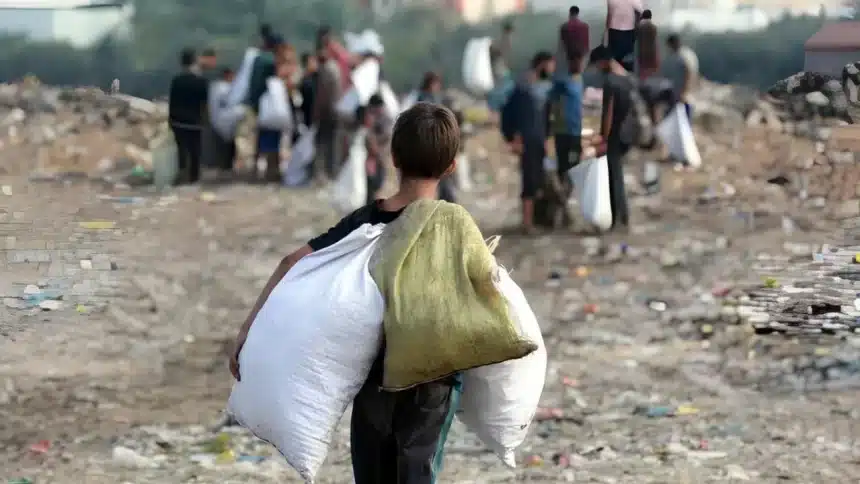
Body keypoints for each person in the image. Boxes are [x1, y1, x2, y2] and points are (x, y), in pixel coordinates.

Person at [230, 102, 462, 484]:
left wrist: (247, 332)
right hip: (431, 379)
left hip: (375, 376)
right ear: (451, 166)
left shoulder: (365, 221)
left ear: (394, 156)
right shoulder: (453, 225)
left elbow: (293, 262)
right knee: (417, 471)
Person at [590, 45, 641, 231]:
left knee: (614, 177)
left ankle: (619, 220)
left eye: (596, 64)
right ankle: (623, 217)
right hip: (629, 132)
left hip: (615, 134)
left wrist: (603, 137)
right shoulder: (628, 78)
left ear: (603, 61)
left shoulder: (611, 81)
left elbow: (608, 113)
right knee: (617, 175)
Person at [503, 51, 555, 234]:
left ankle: (537, 219)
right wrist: (512, 139)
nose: (552, 69)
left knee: (539, 180)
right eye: (550, 65)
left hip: (539, 141)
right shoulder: (523, 89)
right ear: (541, 65)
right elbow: (508, 115)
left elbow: (547, 117)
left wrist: (548, 138)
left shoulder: (545, 88)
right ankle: (527, 223)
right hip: (527, 142)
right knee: (530, 181)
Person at [546, 46, 584, 227]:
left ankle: (563, 207)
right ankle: (562, 210)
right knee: (563, 170)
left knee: (573, 170)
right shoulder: (562, 82)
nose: (579, 64)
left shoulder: (582, 81)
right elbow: (550, 99)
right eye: (576, 61)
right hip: (563, 132)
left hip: (577, 133)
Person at [168, 48, 209, 185]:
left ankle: (182, 174)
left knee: (181, 149)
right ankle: (194, 178)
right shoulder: (201, 81)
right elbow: (205, 103)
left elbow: (172, 102)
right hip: (195, 122)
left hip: (178, 121)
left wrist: (171, 121)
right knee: (195, 149)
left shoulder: (176, 80)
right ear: (194, 61)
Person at [257, 58, 298, 183]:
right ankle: (271, 173)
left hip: (271, 122)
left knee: (271, 148)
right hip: (273, 122)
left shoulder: (273, 84)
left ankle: (271, 172)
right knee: (271, 148)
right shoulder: (275, 84)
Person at [313, 39, 345, 181]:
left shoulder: (326, 69)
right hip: (334, 111)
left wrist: (317, 112)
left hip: (328, 112)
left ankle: (323, 174)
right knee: (332, 144)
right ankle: (332, 173)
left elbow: (323, 95)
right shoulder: (334, 67)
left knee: (323, 143)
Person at [208, 67, 239, 177]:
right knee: (227, 147)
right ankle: (226, 168)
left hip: (216, 121)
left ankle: (222, 167)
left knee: (221, 146)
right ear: (227, 76)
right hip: (225, 122)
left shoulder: (214, 87)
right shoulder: (226, 88)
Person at [661, 34, 698, 120]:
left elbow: (688, 73)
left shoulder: (681, 56)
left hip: (682, 93)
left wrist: (684, 91)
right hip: (681, 92)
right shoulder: (687, 54)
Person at [605, 0, 643, 72]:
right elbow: (639, 14)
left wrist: (606, 32)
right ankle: (626, 75)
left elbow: (609, 15)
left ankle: (614, 76)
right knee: (627, 58)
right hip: (627, 32)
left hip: (614, 32)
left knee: (614, 58)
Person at [557, 6, 590, 79]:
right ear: (578, 13)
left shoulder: (564, 26)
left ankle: (572, 83)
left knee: (571, 70)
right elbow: (586, 41)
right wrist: (586, 51)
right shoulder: (584, 26)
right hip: (581, 51)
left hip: (570, 51)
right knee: (579, 70)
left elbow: (562, 42)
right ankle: (578, 84)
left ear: (570, 13)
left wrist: (563, 51)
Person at [636, 10, 659, 80]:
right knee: (651, 74)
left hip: (642, 54)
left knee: (642, 74)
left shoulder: (640, 27)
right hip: (652, 54)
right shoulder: (654, 27)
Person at [299, 53, 318, 128]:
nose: (315, 64)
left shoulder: (316, 78)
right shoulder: (305, 80)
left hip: (313, 116)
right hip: (306, 116)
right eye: (312, 62)